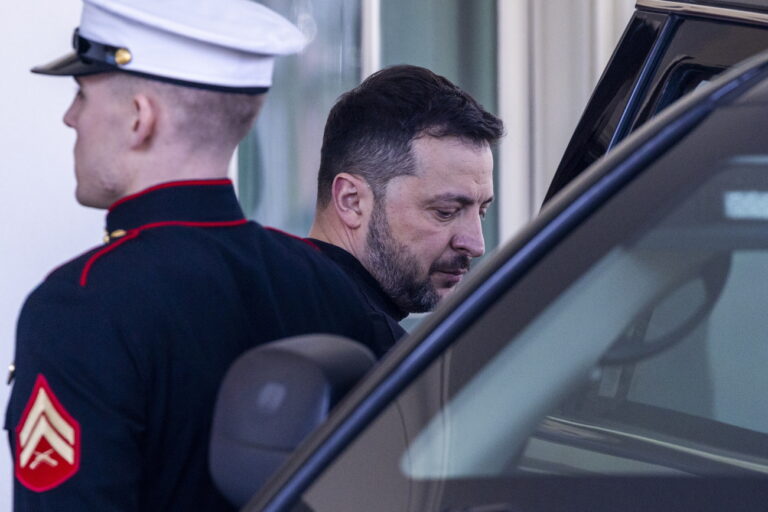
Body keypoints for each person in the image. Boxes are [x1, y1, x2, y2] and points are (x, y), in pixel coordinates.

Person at [5, 0, 385, 510]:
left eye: (81, 93)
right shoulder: (327, 283)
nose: (70, 117)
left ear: (140, 118)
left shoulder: (80, 308)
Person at [309, 65, 505, 352]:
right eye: (446, 211)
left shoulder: (278, 296)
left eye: (482, 211)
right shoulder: (370, 355)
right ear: (352, 201)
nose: (476, 245)